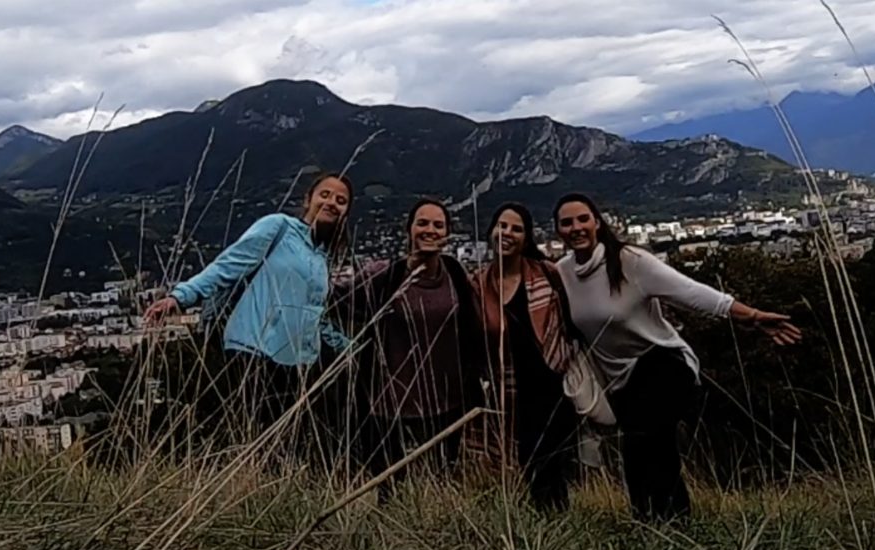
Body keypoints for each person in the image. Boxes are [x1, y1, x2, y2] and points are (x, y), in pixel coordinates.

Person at [553, 192, 802, 522]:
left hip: (661, 362)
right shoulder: (562, 273)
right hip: (619, 381)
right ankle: (656, 524)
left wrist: (752, 316)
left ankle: (670, 523)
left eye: (583, 219)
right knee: (640, 453)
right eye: (566, 222)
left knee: (648, 444)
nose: (576, 228)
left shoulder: (630, 262)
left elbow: (691, 293)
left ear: (597, 222)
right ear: (557, 230)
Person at [143, 173, 354, 450]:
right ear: (308, 200)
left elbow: (314, 316)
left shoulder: (323, 259)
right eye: (324, 195)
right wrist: (181, 296)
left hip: (299, 364)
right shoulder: (278, 227)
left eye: (341, 200)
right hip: (254, 351)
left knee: (290, 447)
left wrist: (349, 347)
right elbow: (229, 264)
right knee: (256, 442)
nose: (331, 203)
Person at [341, 198, 483, 501]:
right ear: (409, 230)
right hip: (390, 406)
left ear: (447, 234)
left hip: (447, 404)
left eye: (437, 225)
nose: (430, 230)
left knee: (442, 484)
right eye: (422, 223)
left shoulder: (456, 275)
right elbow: (336, 301)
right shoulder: (384, 275)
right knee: (390, 491)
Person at [472, 202, 579, 511]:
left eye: (516, 228)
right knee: (526, 463)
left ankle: (558, 524)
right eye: (502, 226)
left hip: (553, 387)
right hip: (510, 392)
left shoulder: (547, 273)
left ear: (526, 237)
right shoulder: (478, 285)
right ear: (491, 231)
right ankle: (544, 527)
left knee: (555, 465)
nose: (507, 233)